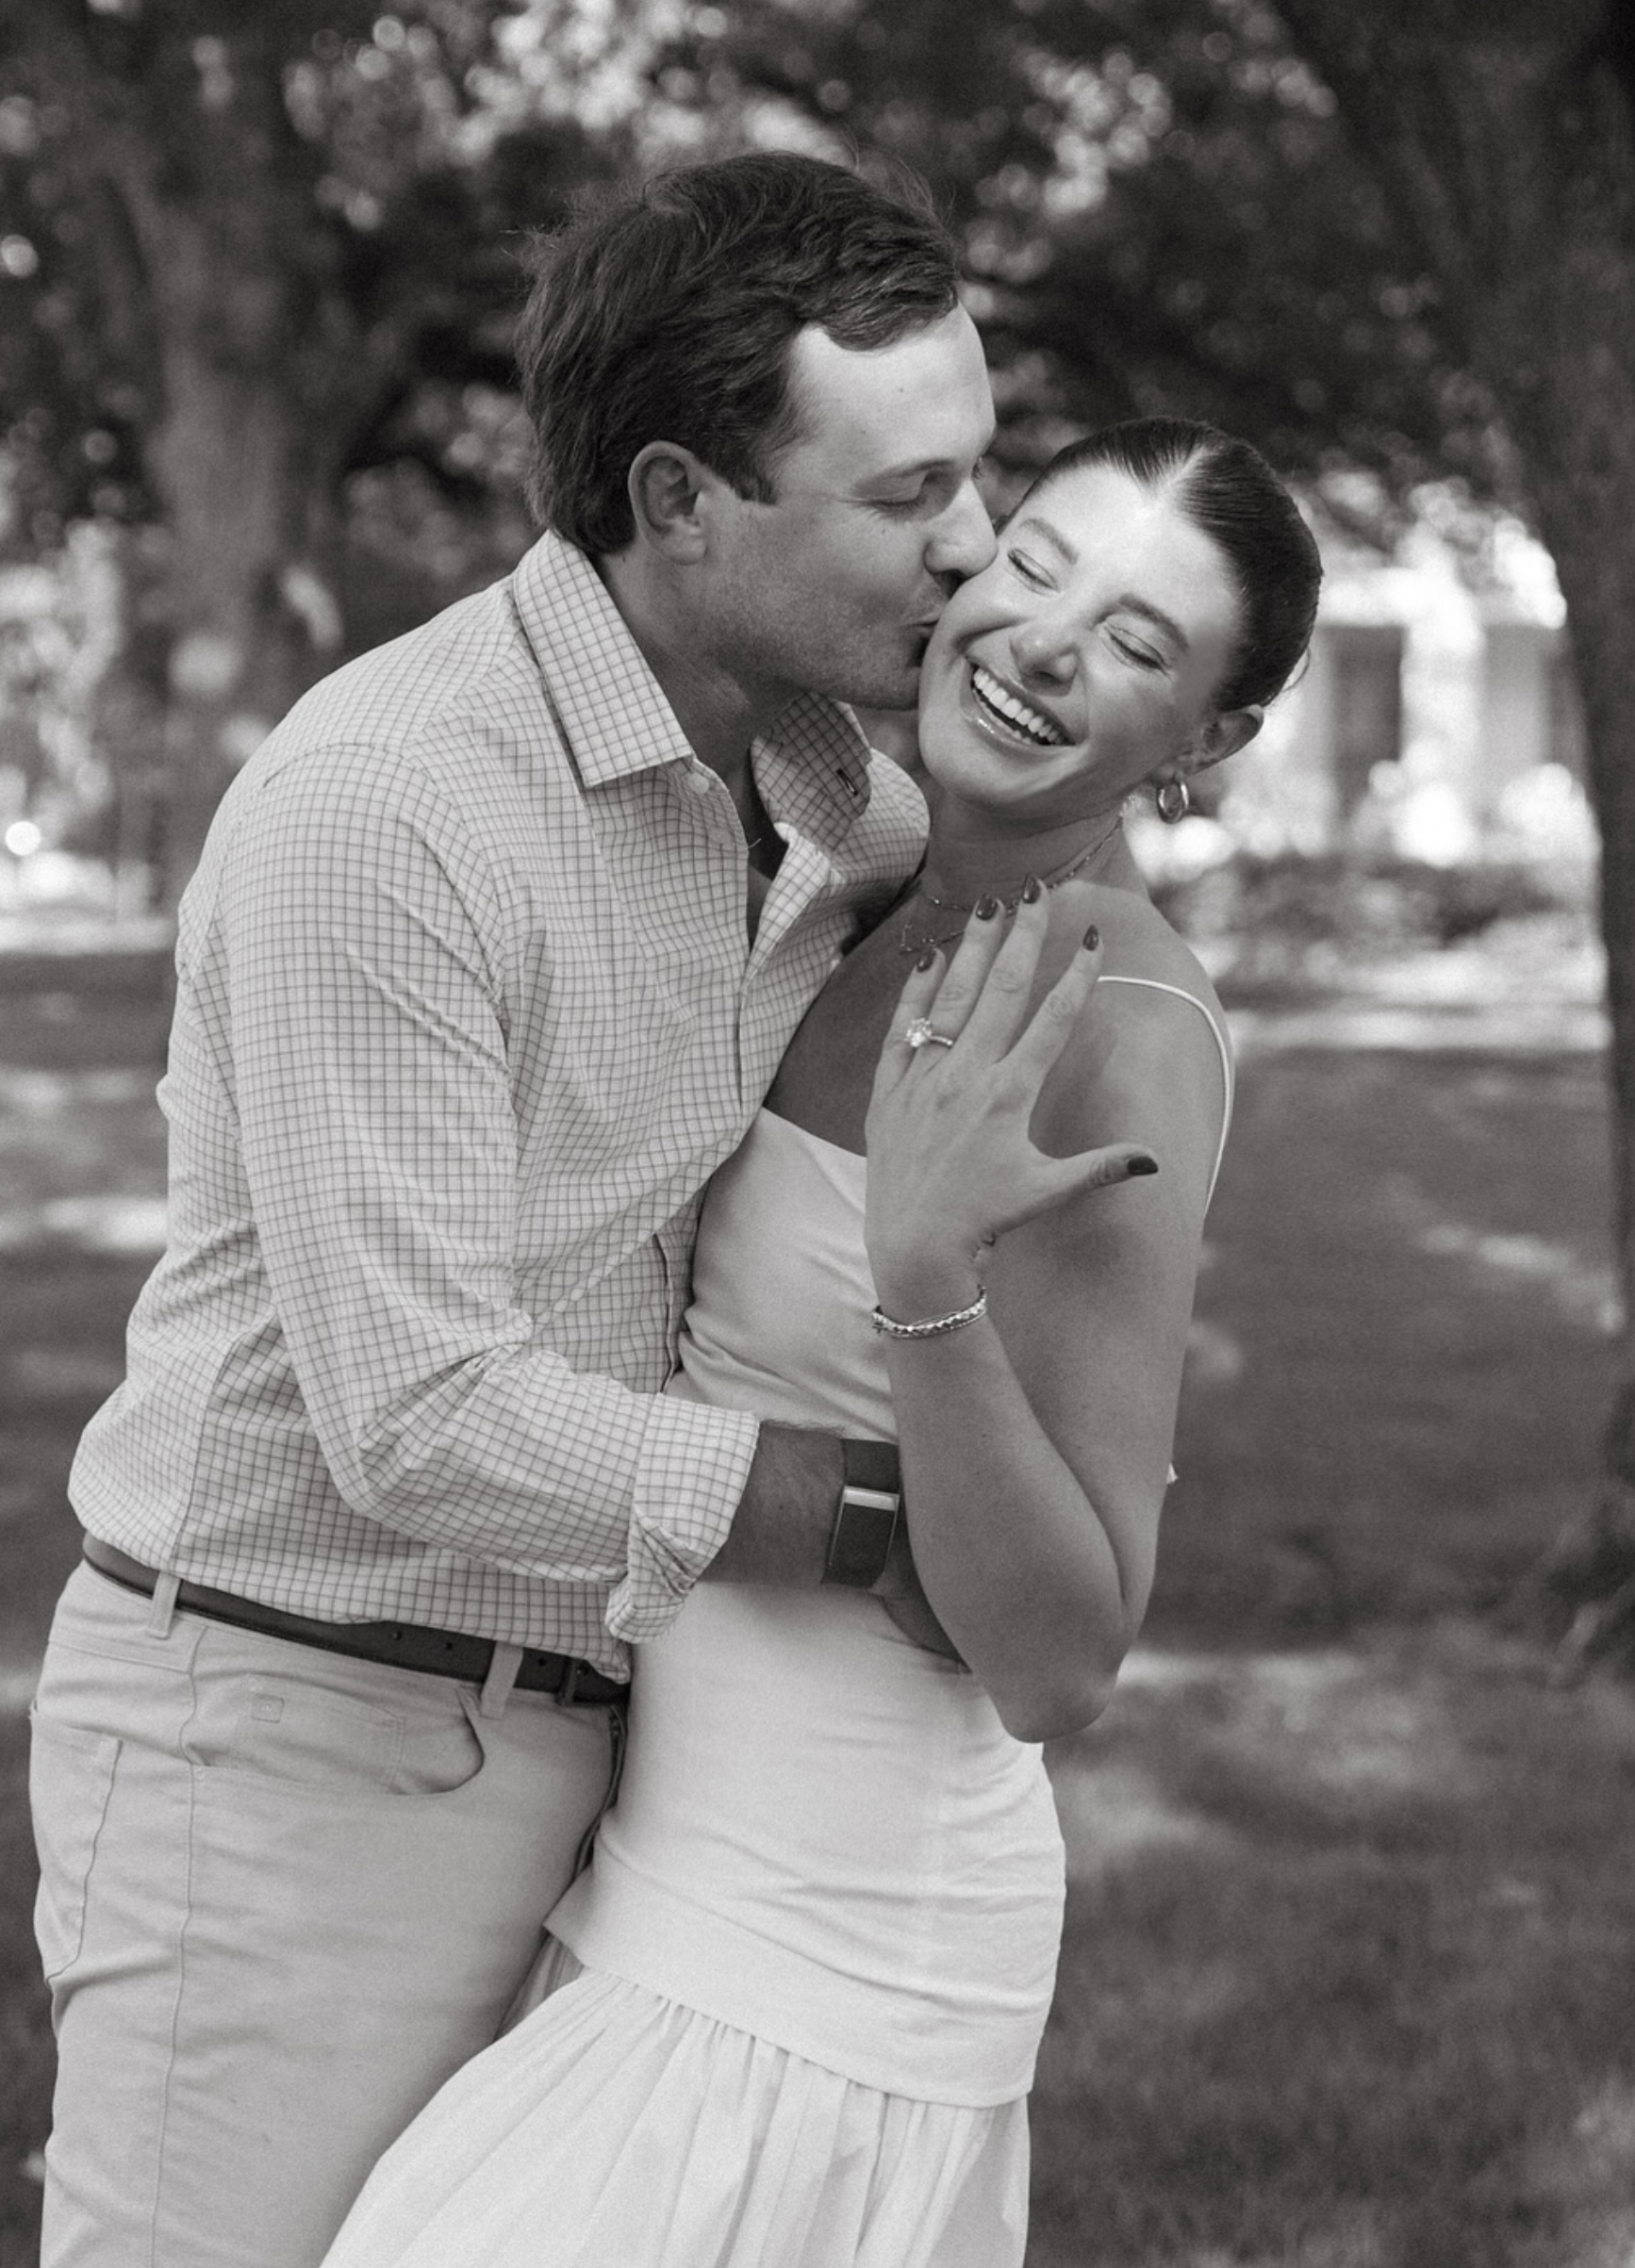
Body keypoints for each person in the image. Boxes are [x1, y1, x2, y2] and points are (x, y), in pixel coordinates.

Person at [25, 152, 1002, 2268]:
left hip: (636, 1764)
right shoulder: (388, 805)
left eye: (979, 474)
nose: (976, 544)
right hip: (291, 1743)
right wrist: (880, 1523)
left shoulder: (838, 798)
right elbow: (419, 1413)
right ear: (679, 501)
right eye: (911, 493)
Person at [316, 417, 1325, 2267]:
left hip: (833, 1948)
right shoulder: (861, 895)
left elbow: (1063, 1654)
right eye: (1036, 565)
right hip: (664, 1882)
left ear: (1209, 739)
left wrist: (925, 1267)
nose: (1041, 643)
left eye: (1136, 642)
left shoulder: (1116, 1024)